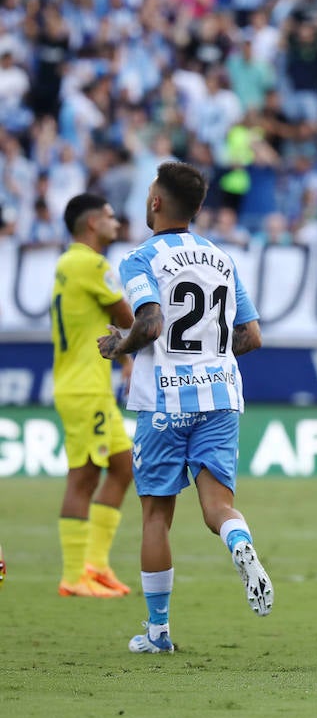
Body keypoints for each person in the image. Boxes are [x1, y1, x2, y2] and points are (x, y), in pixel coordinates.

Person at [97, 161, 272, 653]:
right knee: (218, 507)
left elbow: (150, 325)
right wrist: (209, 356)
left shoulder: (139, 259)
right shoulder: (221, 258)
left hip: (164, 403)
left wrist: (120, 345)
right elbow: (251, 336)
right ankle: (240, 543)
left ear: (155, 202)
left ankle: (157, 633)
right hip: (220, 396)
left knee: (156, 517)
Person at [52, 193, 135, 598]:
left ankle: (96, 565)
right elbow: (127, 319)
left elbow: (99, 324)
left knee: (123, 467)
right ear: (91, 224)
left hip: (87, 385)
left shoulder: (68, 263)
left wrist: (123, 362)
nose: (115, 221)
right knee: (84, 476)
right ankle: (73, 576)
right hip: (85, 388)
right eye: (108, 215)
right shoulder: (91, 263)